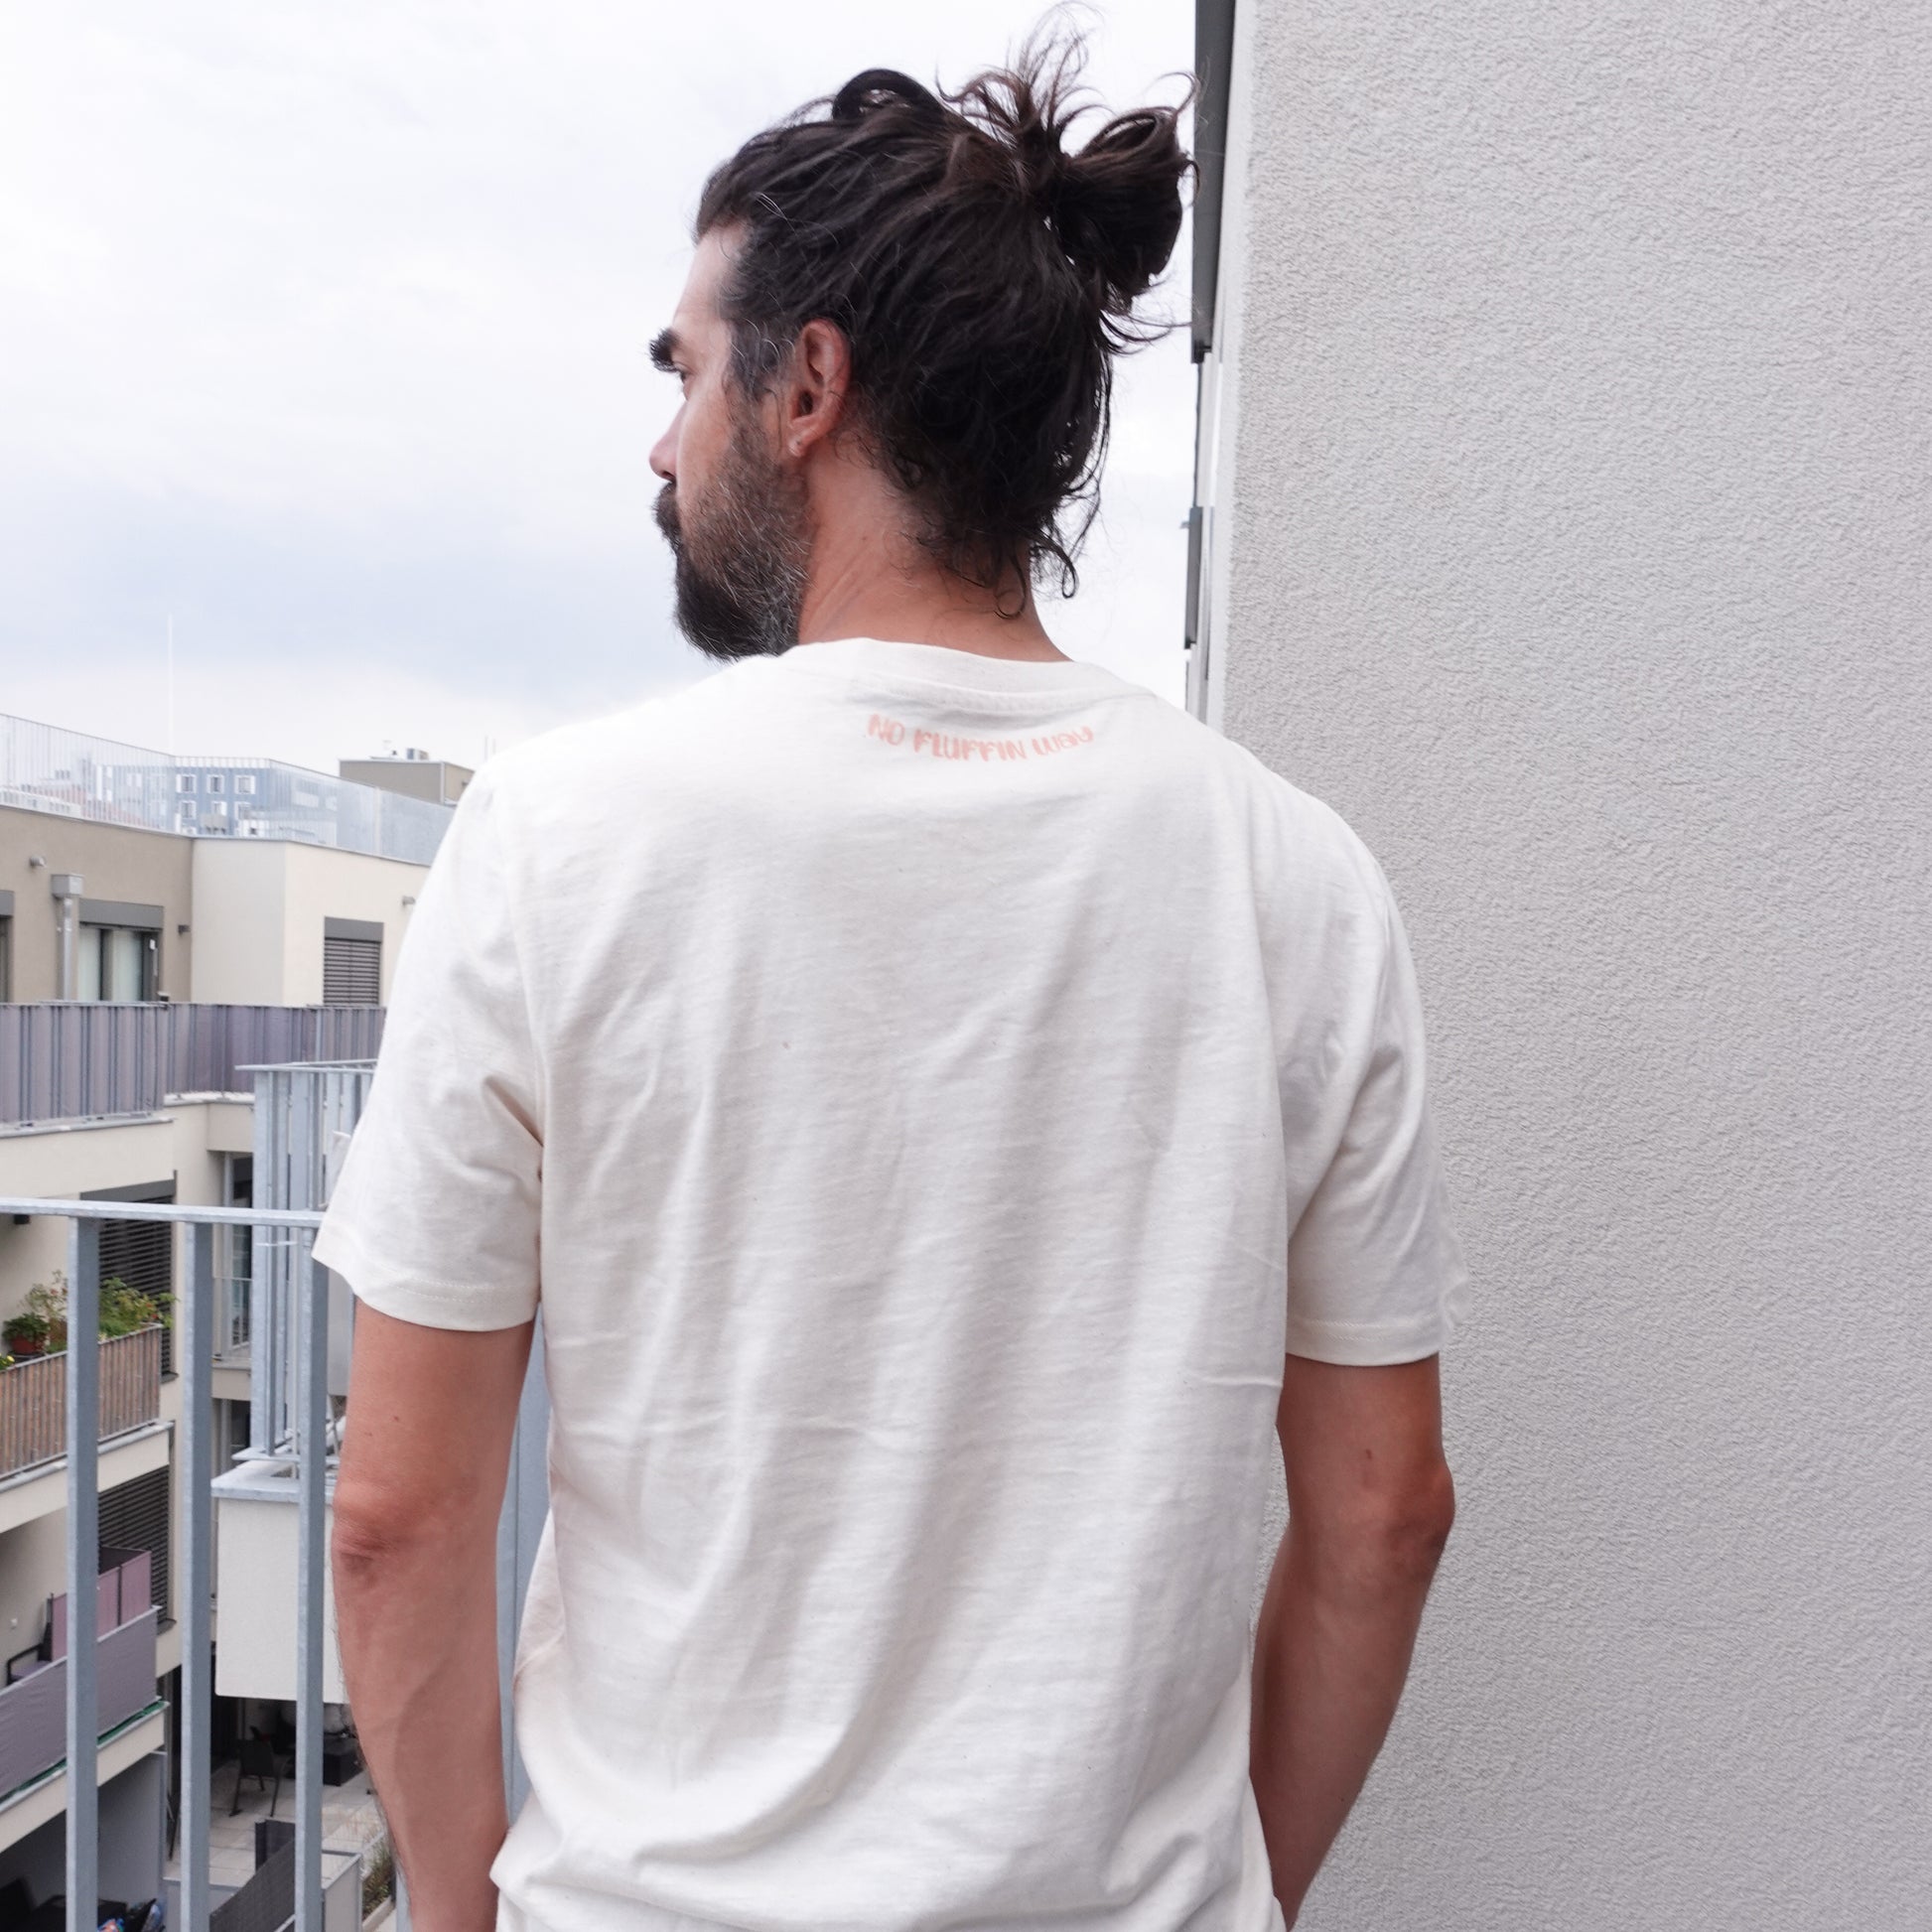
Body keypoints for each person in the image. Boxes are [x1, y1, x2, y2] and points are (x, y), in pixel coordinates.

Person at [317, 32, 1467, 1932]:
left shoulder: (554, 837)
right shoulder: (1298, 877)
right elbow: (1381, 1515)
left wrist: (452, 1913)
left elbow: (397, 1518)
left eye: (684, 369)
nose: (662, 436)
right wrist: (1230, 1894)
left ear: (811, 387)